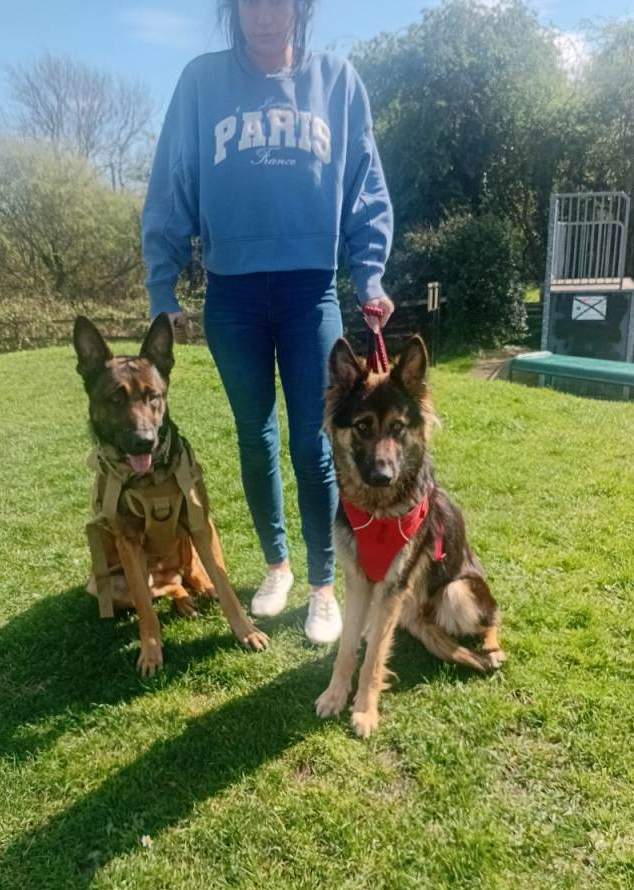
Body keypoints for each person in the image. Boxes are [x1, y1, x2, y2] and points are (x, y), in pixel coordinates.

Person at [142, 0, 394, 644]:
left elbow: (365, 184)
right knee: (255, 438)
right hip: (233, 296)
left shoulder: (336, 80)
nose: (264, 13)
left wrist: (369, 276)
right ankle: (277, 566)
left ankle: (322, 585)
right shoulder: (201, 82)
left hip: (311, 292)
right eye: (249, 0)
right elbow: (171, 185)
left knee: (314, 441)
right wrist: (163, 284)